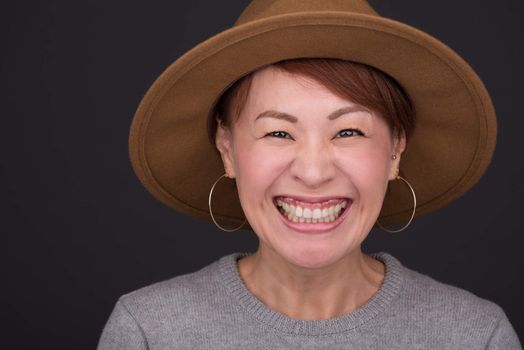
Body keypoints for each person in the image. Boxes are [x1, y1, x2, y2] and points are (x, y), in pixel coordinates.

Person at [97, 1, 522, 349]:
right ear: (227, 150)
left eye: (349, 131)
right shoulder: (149, 332)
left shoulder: (474, 336)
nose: (314, 172)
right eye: (279, 132)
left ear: (395, 151)